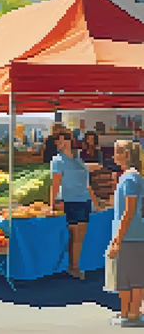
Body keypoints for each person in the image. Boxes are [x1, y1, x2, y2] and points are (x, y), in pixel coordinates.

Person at [50, 130, 100, 280]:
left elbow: (87, 183)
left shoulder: (79, 158)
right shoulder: (57, 160)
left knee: (80, 234)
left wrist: (95, 203)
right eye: (58, 140)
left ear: (70, 140)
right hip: (70, 201)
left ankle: (73, 265)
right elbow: (55, 184)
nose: (61, 142)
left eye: (64, 139)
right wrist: (51, 204)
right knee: (75, 234)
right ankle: (73, 266)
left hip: (84, 201)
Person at [107, 140, 144, 327]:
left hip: (131, 236)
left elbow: (129, 212)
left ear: (127, 155)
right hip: (132, 235)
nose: (114, 156)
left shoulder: (130, 178)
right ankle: (127, 313)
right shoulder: (130, 177)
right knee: (129, 277)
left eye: (117, 152)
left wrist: (117, 240)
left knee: (132, 278)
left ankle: (132, 315)